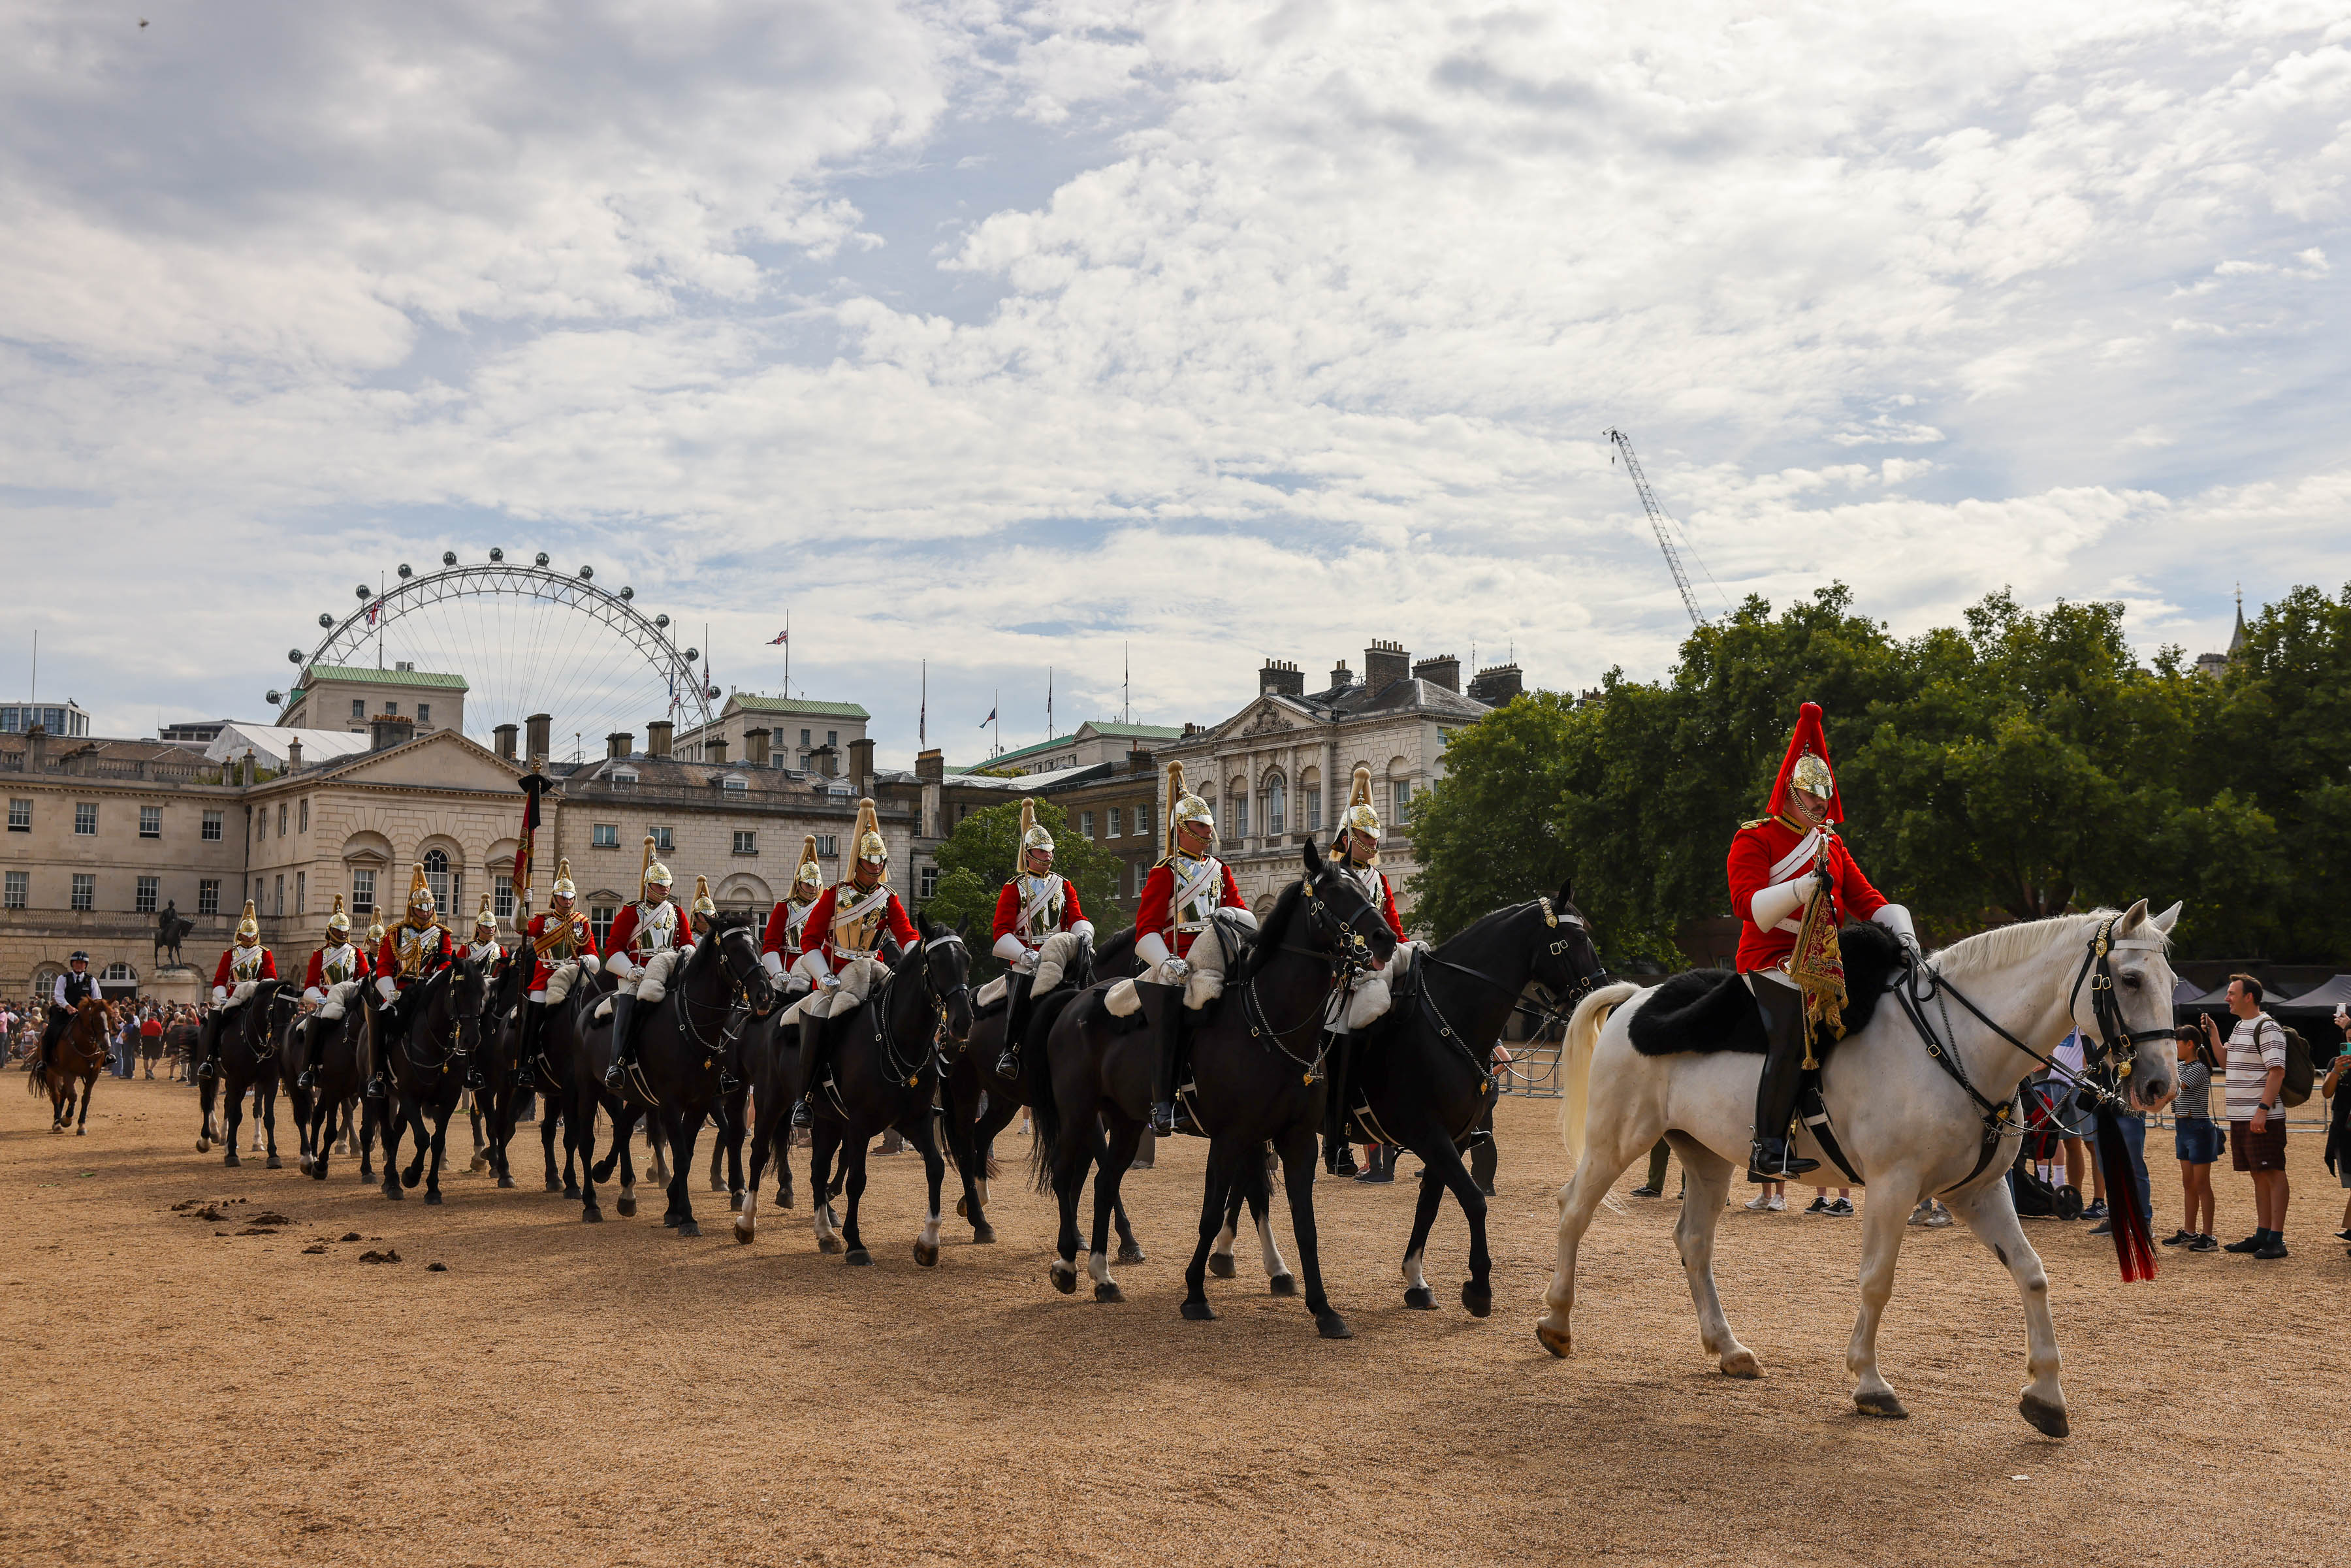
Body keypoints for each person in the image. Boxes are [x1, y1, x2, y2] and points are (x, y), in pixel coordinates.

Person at [1725, 702, 1917, 1182]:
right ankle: (1767, 1146)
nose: (1821, 809)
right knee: (1794, 1032)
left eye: (1824, 800)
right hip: (1770, 959)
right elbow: (1748, 906)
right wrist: (1799, 888)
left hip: (1824, 963)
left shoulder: (1832, 847)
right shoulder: (1755, 839)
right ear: (1790, 793)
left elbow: (1868, 900)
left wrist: (1906, 934)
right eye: (1812, 799)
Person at [1135, 762, 1251, 1137]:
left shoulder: (1220, 871)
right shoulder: (1164, 872)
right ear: (1181, 830)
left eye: (1208, 825)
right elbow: (1146, 930)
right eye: (1201, 827)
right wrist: (1166, 961)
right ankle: (1164, 1102)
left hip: (1218, 956)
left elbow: (1240, 912)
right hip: (1178, 961)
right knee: (1170, 1017)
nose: (1208, 832)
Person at [790, 799, 918, 1125]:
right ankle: (804, 1097)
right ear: (857, 862)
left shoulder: (888, 897)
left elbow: (906, 934)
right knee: (820, 1017)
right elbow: (809, 942)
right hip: (838, 974)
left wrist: (921, 954)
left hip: (873, 969)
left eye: (880, 864)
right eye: (869, 864)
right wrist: (823, 977)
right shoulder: (835, 894)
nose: (875, 870)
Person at [1320, 765, 1409, 1176]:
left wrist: (1401, 952)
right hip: (1339, 979)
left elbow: (1391, 925)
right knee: (1339, 1062)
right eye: (1366, 836)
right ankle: (1335, 1144)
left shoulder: (1379, 878)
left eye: (1376, 837)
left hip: (1373, 974)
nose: (1373, 843)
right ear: (1348, 838)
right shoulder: (1332, 877)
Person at [989, 800, 1094, 1081]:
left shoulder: (1064, 885)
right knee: (1022, 991)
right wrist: (1024, 955)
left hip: (1060, 955)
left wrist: (1084, 933)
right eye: (1041, 852)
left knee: (1090, 983)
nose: (1047, 857)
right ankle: (1009, 1051)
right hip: (1028, 958)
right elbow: (1001, 931)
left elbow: (1076, 917)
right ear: (1028, 853)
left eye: (1050, 852)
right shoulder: (1014, 888)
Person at [2203, 973, 2290, 1258]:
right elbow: (2226, 1062)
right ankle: (2263, 1233)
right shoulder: (2241, 1026)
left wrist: (2262, 1111)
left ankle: (2276, 1238)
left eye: (2231, 993)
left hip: (2261, 1115)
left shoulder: (2267, 1027)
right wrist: (2214, 1035)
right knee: (2257, 1173)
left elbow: (2277, 1070)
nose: (2227, 998)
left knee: (2273, 1172)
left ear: (2248, 997)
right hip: (2242, 1116)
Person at [603, 838, 692, 1096]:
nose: (664, 889)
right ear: (647, 885)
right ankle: (617, 1063)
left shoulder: (676, 912)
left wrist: (688, 953)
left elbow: (686, 942)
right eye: (658, 884)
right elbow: (613, 947)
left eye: (667, 885)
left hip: (669, 971)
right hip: (637, 973)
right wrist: (630, 970)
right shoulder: (632, 912)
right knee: (628, 1002)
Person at [515, 859, 600, 1087]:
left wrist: (586, 959)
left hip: (573, 977)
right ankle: (526, 1065)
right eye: (563, 898)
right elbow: (520, 926)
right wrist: (521, 903)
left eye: (571, 898)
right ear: (554, 898)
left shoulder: (582, 922)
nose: (568, 902)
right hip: (545, 979)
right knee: (534, 1017)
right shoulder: (543, 921)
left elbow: (593, 955)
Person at [370, 865, 452, 1098]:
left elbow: (445, 963)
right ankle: (378, 1075)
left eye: (429, 908)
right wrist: (390, 992)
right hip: (401, 989)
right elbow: (384, 966)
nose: (426, 913)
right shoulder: (395, 933)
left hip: (429, 989)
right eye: (421, 908)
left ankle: (462, 1071)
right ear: (412, 909)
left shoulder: (442, 934)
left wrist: (434, 985)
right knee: (381, 1019)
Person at [294, 896, 370, 1091]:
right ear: (330, 931)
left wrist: (356, 991)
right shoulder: (320, 954)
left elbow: (365, 977)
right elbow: (310, 984)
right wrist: (321, 998)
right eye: (338, 931)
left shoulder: (357, 953)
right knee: (314, 1025)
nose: (343, 935)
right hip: (327, 1002)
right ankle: (309, 1069)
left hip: (351, 1000)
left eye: (345, 931)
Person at [196, 905, 276, 1081]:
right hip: (233, 999)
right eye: (246, 935)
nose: (249, 938)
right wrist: (222, 998)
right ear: (239, 935)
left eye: (252, 935)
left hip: (256, 998)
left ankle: (277, 1061)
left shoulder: (265, 954)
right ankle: (209, 1059)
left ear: (256, 934)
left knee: (277, 1023)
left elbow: (271, 978)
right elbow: (219, 980)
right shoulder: (230, 954)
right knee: (215, 1020)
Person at [2166, 1024, 2223, 1253]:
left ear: (2189, 1044)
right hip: (2183, 1127)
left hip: (2198, 1128)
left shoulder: (2198, 1068)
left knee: (2201, 1184)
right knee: (2188, 1183)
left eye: (2177, 1043)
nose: (2174, 1048)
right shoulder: (2181, 1065)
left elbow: (2176, 1086)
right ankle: (2190, 1231)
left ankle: (2208, 1235)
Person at [758, 836, 826, 1004]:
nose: (814, 889)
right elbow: (771, 944)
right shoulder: (784, 908)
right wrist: (778, 972)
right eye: (809, 885)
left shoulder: (824, 907)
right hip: (787, 967)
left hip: (817, 965)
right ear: (799, 883)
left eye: (817, 885)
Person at [38, 951, 103, 1079]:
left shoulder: (91, 980)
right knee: (49, 1032)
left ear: (86, 965)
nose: (79, 965)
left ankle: (105, 1058)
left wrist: (91, 1010)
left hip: (84, 1016)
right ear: (72, 964)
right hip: (65, 1014)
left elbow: (97, 998)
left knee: (102, 1030)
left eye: (82, 963)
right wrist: (68, 1007)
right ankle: (45, 1062)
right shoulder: (63, 978)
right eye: (77, 963)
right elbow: (59, 995)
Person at [2324, 1004, 2350, 1246]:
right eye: (2349, 1038)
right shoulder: (2337, 1062)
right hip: (2344, 1130)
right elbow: (2326, 1093)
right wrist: (2336, 1072)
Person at [138, 1008, 161, 1078]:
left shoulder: (144, 1024)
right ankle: (150, 1070)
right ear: (155, 1017)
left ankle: (146, 1073)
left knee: (146, 1058)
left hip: (146, 1041)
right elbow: (161, 1033)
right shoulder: (158, 1024)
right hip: (155, 1041)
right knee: (156, 1057)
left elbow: (141, 1034)